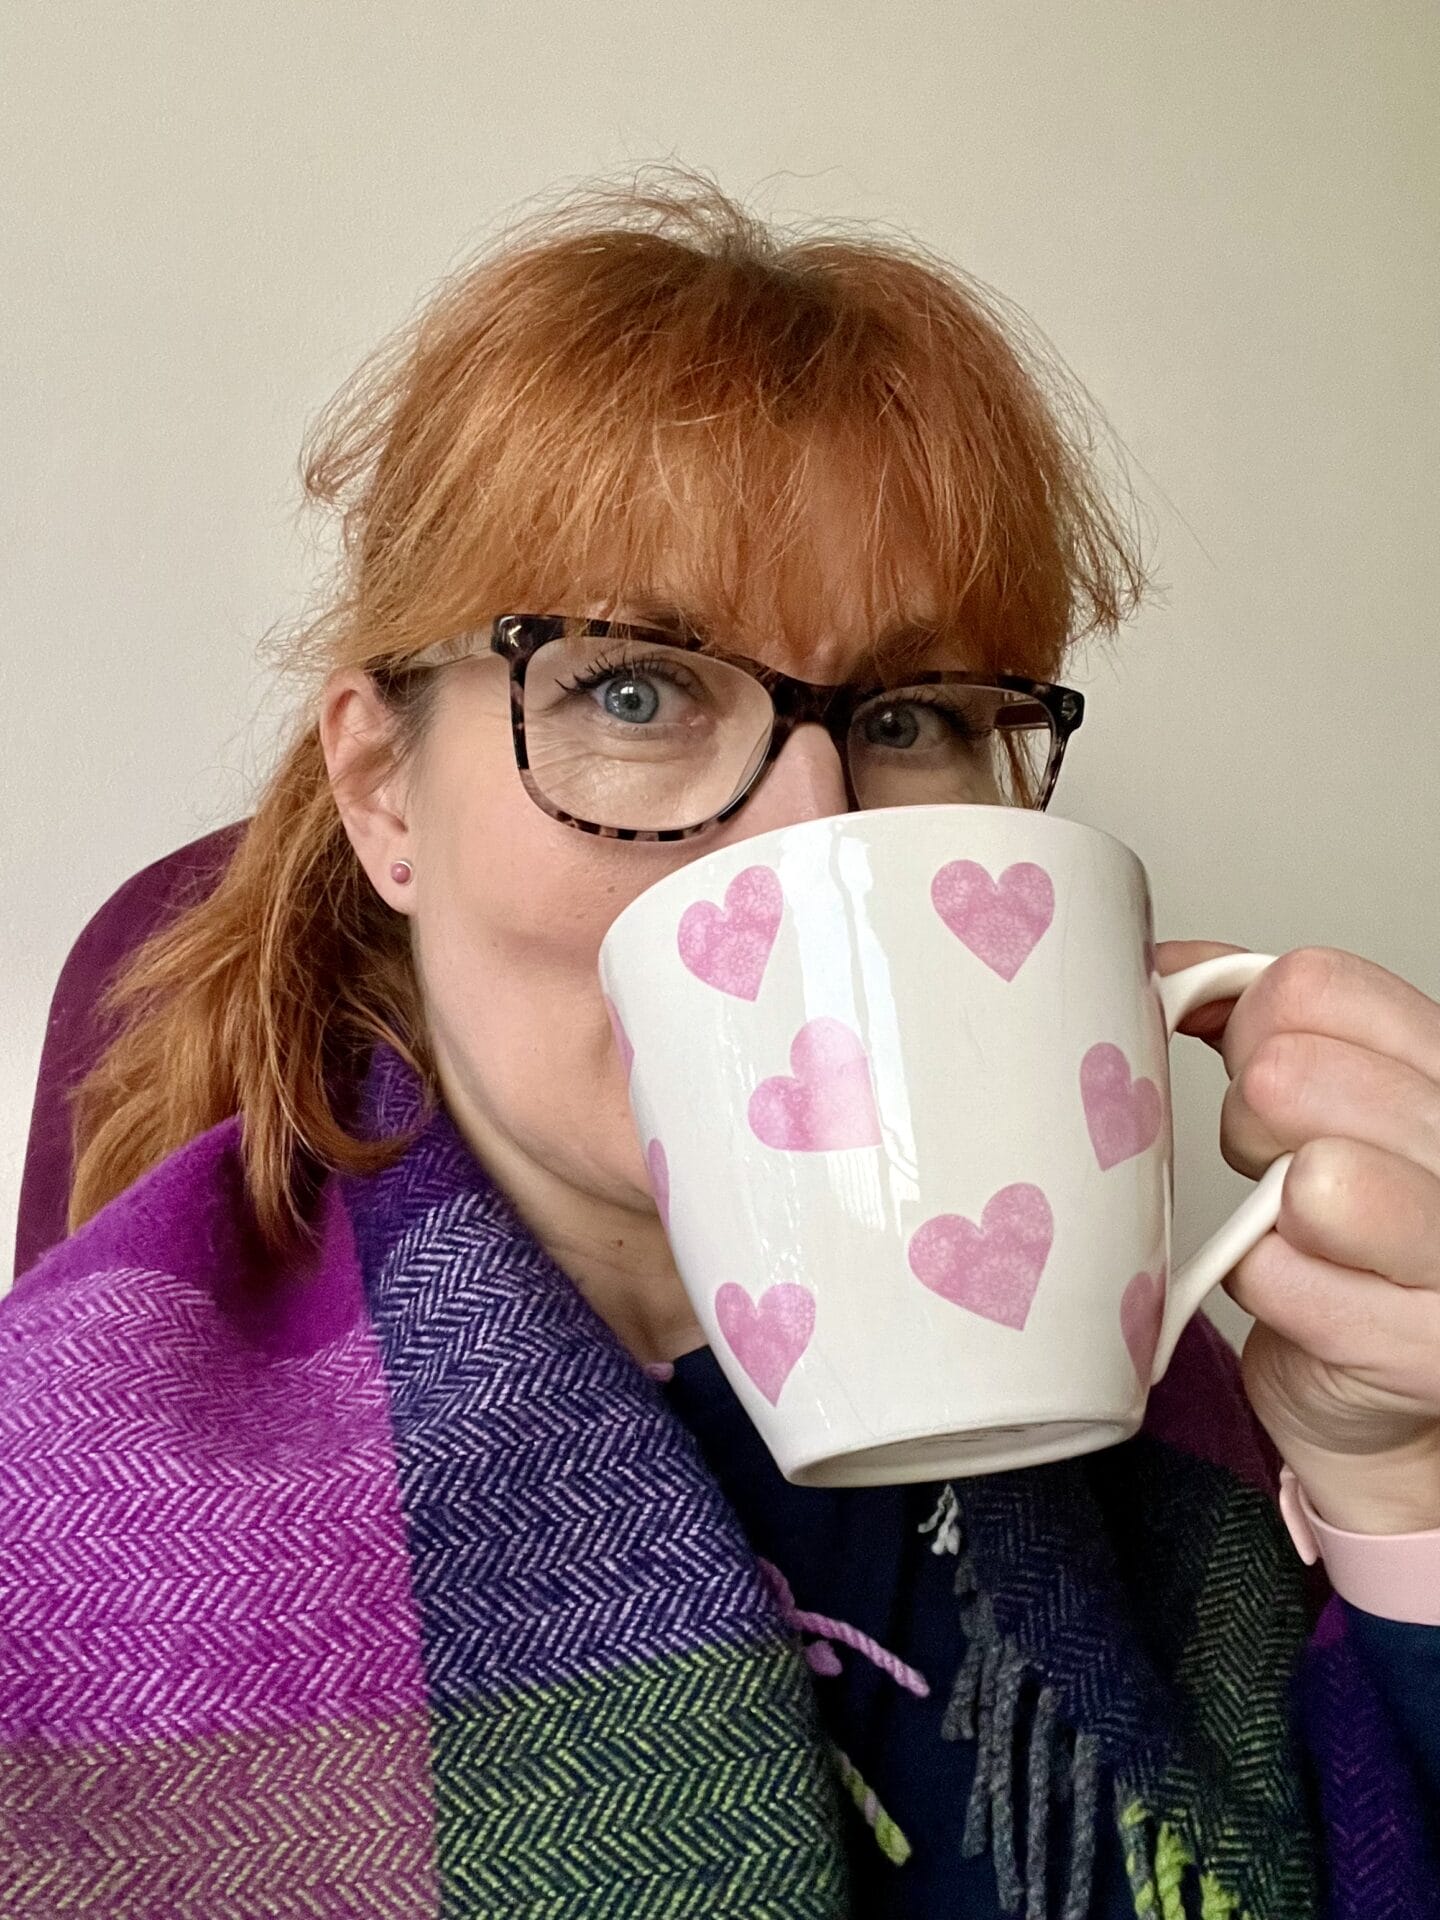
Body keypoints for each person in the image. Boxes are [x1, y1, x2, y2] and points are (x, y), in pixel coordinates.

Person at [4, 175, 1440, 1920]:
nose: (808, 842)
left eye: (908, 717)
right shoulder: (60, 1517)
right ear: (386, 791)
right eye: (635, 690)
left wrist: (1402, 1498)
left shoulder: (1160, 1396)